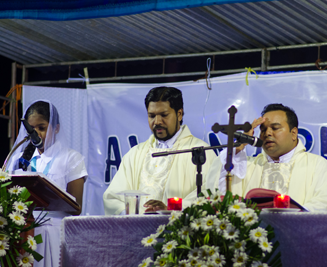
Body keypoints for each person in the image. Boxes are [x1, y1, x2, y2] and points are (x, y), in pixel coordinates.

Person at [103, 86, 217, 215]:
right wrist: (133, 215)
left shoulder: (200, 151)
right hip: (137, 231)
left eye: (164, 115)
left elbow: (209, 195)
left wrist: (169, 208)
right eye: (151, 116)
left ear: (179, 114)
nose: (157, 122)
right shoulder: (135, 154)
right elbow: (112, 197)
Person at [207, 103, 327, 211]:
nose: (267, 133)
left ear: (294, 133)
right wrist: (238, 147)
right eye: (263, 129)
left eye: (275, 128)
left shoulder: (318, 166)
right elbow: (220, 193)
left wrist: (291, 216)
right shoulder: (247, 166)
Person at [6, 100, 87, 267]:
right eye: (31, 129)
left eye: (41, 128)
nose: (36, 134)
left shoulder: (71, 158)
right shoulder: (18, 159)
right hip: (22, 232)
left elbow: (76, 207)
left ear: (56, 128)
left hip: (54, 234)